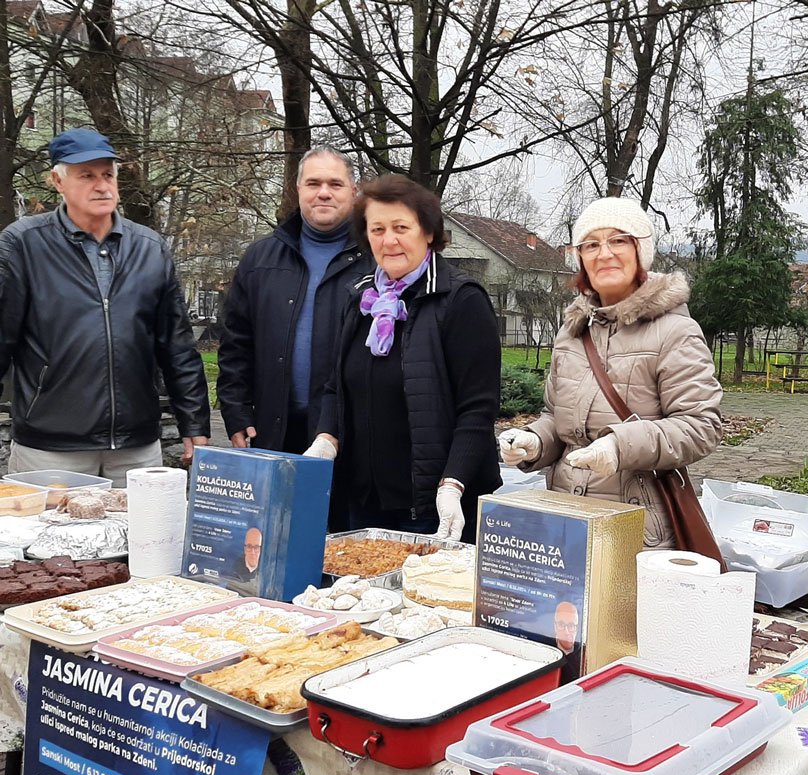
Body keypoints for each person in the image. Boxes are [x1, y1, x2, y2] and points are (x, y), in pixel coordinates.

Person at [498, 197, 722, 549]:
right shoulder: (572, 333)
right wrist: (535, 442)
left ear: (640, 251)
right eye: (591, 244)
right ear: (581, 259)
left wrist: (620, 445)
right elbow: (557, 419)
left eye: (618, 240)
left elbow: (700, 426)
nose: (604, 253)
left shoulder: (676, 331)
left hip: (635, 529)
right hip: (564, 519)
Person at [0, 128, 209, 485]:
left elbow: (176, 345)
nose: (102, 186)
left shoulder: (149, 247)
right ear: (57, 181)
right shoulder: (23, 244)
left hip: (136, 446)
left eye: (107, 175)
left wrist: (195, 423)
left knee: (145, 540)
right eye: (87, 176)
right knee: (47, 540)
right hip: (51, 446)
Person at [307, 175, 501, 541]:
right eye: (377, 229)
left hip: (434, 508)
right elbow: (336, 387)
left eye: (401, 227)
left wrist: (452, 484)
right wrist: (325, 438)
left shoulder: (460, 300)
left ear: (427, 231)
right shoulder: (361, 299)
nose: (389, 240)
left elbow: (478, 409)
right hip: (359, 503)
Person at [217, 147, 369, 454]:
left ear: (353, 191)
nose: (323, 193)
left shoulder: (377, 260)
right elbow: (236, 345)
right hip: (273, 432)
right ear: (298, 189)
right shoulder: (260, 258)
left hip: (354, 439)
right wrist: (236, 412)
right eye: (313, 184)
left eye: (335, 184)